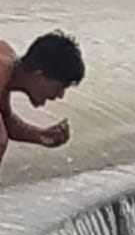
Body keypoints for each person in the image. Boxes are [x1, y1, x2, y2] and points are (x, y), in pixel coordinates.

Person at [0, 29, 85, 172]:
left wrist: (41, 135)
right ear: (38, 75)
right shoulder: (2, 69)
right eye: (59, 87)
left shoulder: (8, 70)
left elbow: (6, 120)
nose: (60, 95)